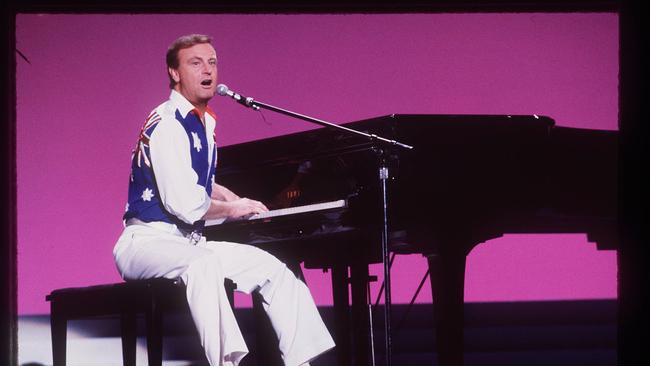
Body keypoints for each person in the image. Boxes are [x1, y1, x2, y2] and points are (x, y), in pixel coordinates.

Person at [112, 34, 335, 366]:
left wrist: (228, 194)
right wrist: (234, 208)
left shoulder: (202, 122)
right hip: (145, 243)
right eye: (195, 62)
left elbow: (191, 178)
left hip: (187, 242)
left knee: (276, 270)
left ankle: (303, 363)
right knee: (204, 265)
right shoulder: (169, 124)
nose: (208, 70)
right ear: (174, 72)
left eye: (212, 62)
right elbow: (185, 205)